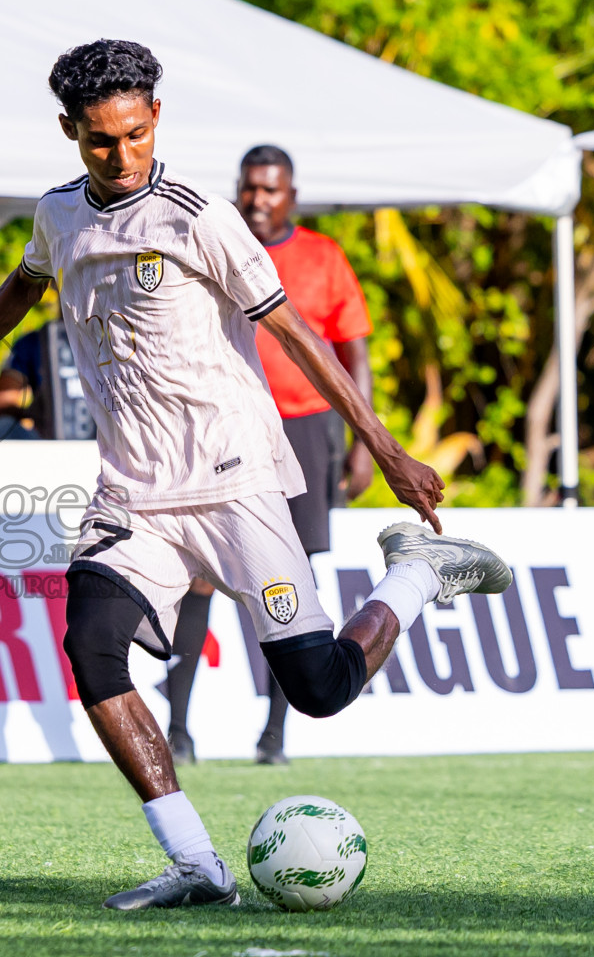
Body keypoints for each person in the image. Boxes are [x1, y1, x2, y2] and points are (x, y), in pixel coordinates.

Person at [0, 38, 511, 911]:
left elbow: (297, 333)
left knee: (317, 691)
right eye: (98, 141)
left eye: (134, 135)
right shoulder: (59, 215)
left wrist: (384, 446)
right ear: (68, 132)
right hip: (134, 493)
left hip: (236, 481)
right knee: (90, 649)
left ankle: (417, 578)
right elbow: (22, 284)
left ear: (156, 117)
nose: (121, 157)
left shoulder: (200, 215)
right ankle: (196, 861)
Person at [167, 145, 378, 768]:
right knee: (201, 576)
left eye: (271, 190)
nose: (258, 199)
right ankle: (178, 730)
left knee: (291, 582)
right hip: (225, 427)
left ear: (292, 194)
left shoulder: (323, 256)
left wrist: (365, 442)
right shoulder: (213, 238)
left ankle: (275, 737)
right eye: (250, 188)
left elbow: (352, 351)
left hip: (307, 431)